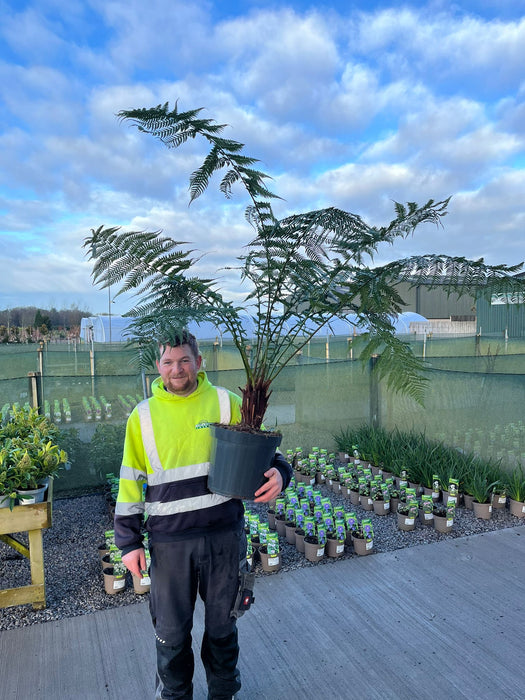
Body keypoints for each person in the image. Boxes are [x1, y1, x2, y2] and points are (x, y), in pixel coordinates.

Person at [114, 331, 292, 700]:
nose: (176, 369)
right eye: (168, 362)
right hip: (169, 544)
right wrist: (128, 542)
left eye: (183, 360)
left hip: (223, 538)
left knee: (222, 626)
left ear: (199, 361)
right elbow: (130, 481)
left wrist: (280, 472)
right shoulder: (143, 416)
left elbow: (262, 452)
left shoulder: (226, 403)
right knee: (171, 634)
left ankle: (223, 693)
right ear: (157, 367)